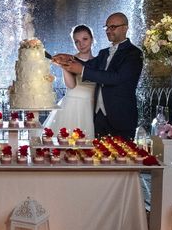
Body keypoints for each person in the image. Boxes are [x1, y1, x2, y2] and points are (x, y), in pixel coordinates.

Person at [53, 12, 143, 140]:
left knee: (122, 158)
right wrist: (67, 58)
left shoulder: (134, 54)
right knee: (97, 157)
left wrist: (82, 69)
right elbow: (88, 65)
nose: (108, 30)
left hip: (120, 117)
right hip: (98, 117)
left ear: (125, 28)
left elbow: (116, 78)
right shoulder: (104, 53)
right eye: (107, 27)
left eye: (113, 27)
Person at [43, 25, 96, 138]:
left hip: (90, 107)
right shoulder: (69, 59)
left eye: (85, 39)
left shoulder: (99, 61)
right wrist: (63, 66)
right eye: (77, 41)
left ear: (92, 39)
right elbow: (71, 85)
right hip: (72, 105)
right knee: (67, 143)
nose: (81, 44)